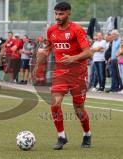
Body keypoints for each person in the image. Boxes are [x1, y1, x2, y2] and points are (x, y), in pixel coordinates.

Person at [34, 2, 93, 150]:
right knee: (54, 104)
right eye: (56, 14)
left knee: (79, 109)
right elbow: (48, 49)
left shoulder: (76, 30)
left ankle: (87, 134)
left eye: (61, 14)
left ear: (68, 13)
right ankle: (61, 136)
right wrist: (40, 59)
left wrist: (73, 58)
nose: (58, 17)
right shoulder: (51, 30)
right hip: (60, 73)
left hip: (78, 73)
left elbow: (88, 52)